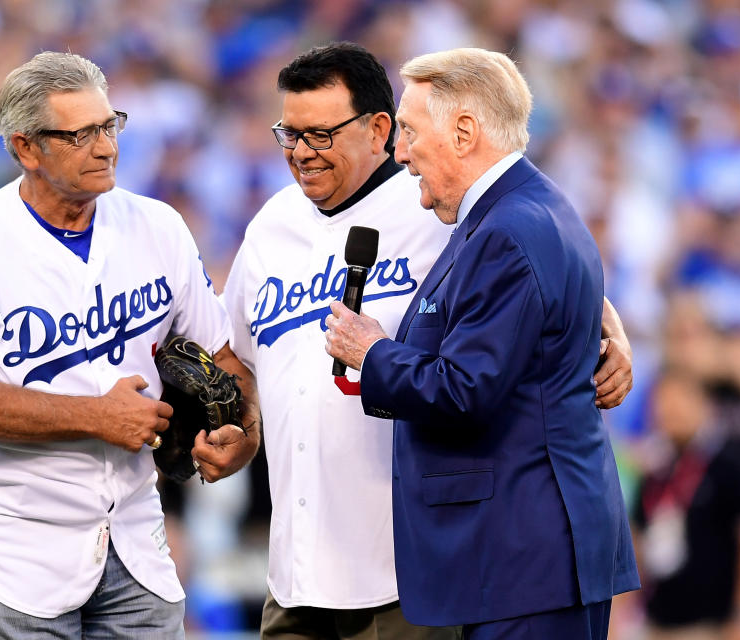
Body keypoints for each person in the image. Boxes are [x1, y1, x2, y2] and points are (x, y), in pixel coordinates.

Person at [224, 42, 633, 640]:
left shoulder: (441, 211)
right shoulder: (270, 225)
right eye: (289, 134)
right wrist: (241, 423)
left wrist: (606, 326)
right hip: (297, 572)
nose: (302, 153)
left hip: (415, 570)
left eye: (321, 135)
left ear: (378, 129)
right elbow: (236, 352)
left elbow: (519, 287)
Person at [0, 51, 259, 639]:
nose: (106, 147)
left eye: (109, 125)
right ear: (25, 149)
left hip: (135, 535)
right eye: (81, 134)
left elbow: (222, 358)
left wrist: (243, 435)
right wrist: (97, 416)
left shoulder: (157, 226)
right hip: (12, 550)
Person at [631, 367, 740, 640]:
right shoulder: (656, 470)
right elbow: (638, 541)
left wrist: (739, 615)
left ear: (703, 404)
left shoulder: (728, 463)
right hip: (657, 621)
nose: (670, 410)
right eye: (662, 401)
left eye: (679, 400)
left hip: (711, 625)